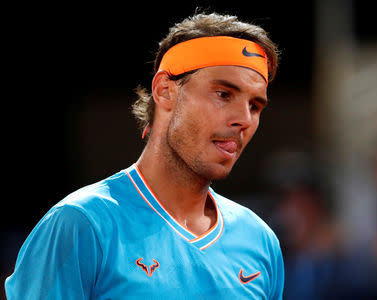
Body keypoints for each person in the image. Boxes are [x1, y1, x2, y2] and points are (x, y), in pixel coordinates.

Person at [5, 12, 284, 299]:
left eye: (255, 105)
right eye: (224, 94)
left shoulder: (260, 241)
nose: (244, 119)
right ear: (165, 91)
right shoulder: (82, 224)